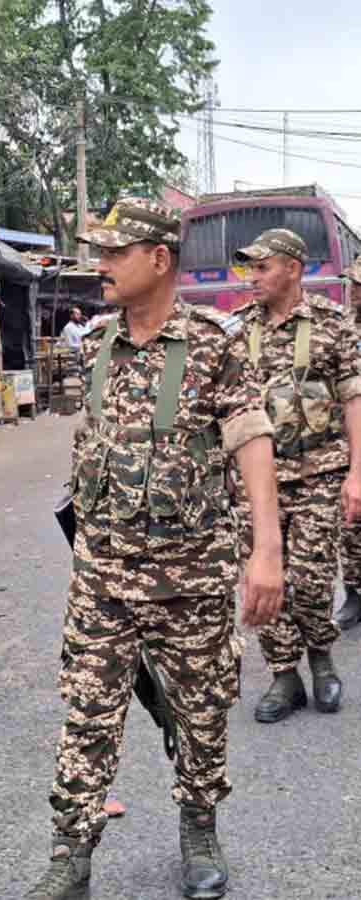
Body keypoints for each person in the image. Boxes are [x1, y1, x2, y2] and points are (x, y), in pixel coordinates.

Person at [26, 198, 284, 900]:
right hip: (103, 575)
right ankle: (70, 854)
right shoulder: (93, 343)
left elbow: (252, 439)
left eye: (114, 253)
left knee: (201, 710)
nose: (100, 265)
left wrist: (267, 551)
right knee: (87, 712)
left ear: (159, 259)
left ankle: (198, 823)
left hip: (192, 575)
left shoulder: (215, 342)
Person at [232, 231, 361, 722]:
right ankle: (284, 677)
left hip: (319, 472)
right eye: (252, 269)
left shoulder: (332, 324)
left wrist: (357, 474)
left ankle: (323, 663)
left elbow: (353, 399)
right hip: (257, 480)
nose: (254, 278)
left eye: (263, 268)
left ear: (292, 269)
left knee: (310, 578)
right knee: (266, 582)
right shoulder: (239, 329)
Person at [336, 255, 361, 628]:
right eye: (353, 284)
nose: (354, 291)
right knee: (351, 524)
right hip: (350, 437)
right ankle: (355, 593)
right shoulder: (343, 329)